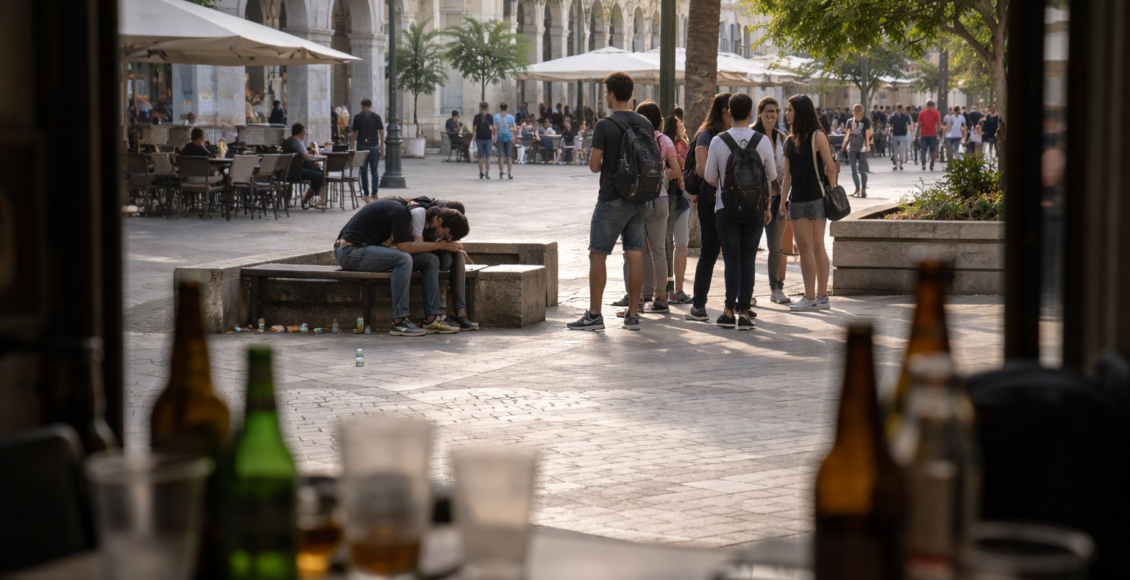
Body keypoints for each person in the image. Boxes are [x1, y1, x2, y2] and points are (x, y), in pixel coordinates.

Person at [566, 71, 651, 332]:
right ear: (631, 94)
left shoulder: (604, 125)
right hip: (640, 198)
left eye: (606, 92)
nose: (605, 96)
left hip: (612, 198)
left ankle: (594, 315)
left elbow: (594, 166)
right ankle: (633, 314)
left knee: (598, 255)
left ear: (612, 94)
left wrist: (611, 164)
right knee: (634, 254)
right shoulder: (645, 122)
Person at [335, 197, 467, 336]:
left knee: (431, 260)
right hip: (350, 252)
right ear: (439, 221)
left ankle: (432, 318)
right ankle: (399, 321)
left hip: (364, 250)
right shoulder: (400, 212)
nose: (438, 235)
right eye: (444, 234)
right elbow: (405, 247)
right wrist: (441, 245)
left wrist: (442, 245)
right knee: (403, 259)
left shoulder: (408, 208)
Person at [703, 93, 776, 330]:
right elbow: (772, 176)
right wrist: (766, 206)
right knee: (748, 259)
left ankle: (728, 311)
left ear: (730, 112)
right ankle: (744, 312)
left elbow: (709, 176)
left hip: (726, 208)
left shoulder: (718, 140)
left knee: (731, 260)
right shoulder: (762, 141)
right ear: (752, 113)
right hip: (755, 209)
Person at [611, 100, 679, 317]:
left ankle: (638, 299)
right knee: (659, 251)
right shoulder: (664, 140)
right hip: (660, 199)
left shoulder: (632, 138)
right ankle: (660, 297)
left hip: (637, 200)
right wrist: (662, 180)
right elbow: (677, 169)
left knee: (636, 252)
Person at [781, 95, 837, 312]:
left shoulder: (817, 136)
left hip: (816, 197)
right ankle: (812, 297)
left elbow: (830, 167)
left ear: (800, 112)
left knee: (816, 246)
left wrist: (833, 191)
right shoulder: (789, 140)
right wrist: (783, 200)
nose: (786, 113)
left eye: (789, 110)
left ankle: (819, 297)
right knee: (804, 247)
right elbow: (787, 175)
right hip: (796, 199)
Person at [684, 92, 733, 323]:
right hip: (710, 200)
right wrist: (727, 184)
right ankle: (698, 304)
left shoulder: (733, 134)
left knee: (733, 255)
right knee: (709, 252)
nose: (733, 115)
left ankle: (735, 305)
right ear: (721, 111)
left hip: (729, 201)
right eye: (730, 111)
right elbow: (702, 169)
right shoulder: (706, 134)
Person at [406, 199, 478, 331]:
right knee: (435, 260)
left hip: (431, 252)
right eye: (446, 234)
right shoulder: (422, 215)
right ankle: (441, 314)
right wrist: (442, 244)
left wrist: (452, 246)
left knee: (458, 256)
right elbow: (417, 245)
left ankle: (461, 314)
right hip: (415, 253)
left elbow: (442, 243)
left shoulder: (443, 224)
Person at [751, 96, 791, 305]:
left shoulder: (782, 138)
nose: (770, 115)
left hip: (779, 199)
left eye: (774, 112)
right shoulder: (751, 135)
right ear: (760, 113)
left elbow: (787, 170)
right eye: (766, 111)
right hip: (756, 200)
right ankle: (747, 291)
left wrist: (785, 197)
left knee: (776, 247)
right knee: (750, 246)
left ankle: (776, 289)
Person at [662, 113, 693, 305]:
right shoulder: (681, 144)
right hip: (680, 198)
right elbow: (683, 169)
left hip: (661, 198)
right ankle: (677, 289)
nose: (682, 123)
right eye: (679, 121)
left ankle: (660, 290)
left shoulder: (658, 142)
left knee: (660, 246)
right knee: (681, 245)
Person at [282, 123, 326, 208]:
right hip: (297, 171)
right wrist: (313, 159)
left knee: (319, 172)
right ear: (303, 131)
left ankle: (309, 200)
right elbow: (306, 156)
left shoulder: (290, 141)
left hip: (291, 170)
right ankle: (316, 201)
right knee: (320, 175)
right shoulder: (297, 142)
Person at [350, 98, 385, 202]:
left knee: (363, 171)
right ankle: (374, 193)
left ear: (362, 106)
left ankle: (366, 193)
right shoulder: (376, 117)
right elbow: (381, 130)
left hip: (361, 147)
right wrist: (382, 145)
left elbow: (353, 133)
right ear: (370, 106)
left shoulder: (357, 117)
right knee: (374, 171)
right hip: (374, 146)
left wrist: (352, 146)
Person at [841, 104, 872, 198]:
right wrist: (867, 145)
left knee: (854, 169)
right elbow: (867, 135)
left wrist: (843, 145)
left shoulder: (850, 121)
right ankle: (862, 190)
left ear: (853, 112)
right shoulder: (865, 120)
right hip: (861, 148)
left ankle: (858, 189)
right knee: (862, 170)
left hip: (853, 148)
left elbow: (847, 136)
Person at [472, 102, 495, 179]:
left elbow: (474, 127)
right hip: (488, 138)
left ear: (480, 108)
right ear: (487, 108)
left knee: (480, 156)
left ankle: (481, 172)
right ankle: (487, 172)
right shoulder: (490, 117)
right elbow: (491, 128)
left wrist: (473, 136)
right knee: (488, 156)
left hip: (479, 138)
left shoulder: (476, 117)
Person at [917, 99, 942, 171]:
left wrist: (917, 134)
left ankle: (923, 164)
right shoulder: (936, 113)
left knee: (923, 150)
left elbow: (919, 124)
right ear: (933, 105)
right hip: (933, 134)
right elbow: (938, 124)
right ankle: (932, 164)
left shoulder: (922, 113)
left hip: (923, 134)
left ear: (926, 105)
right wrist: (938, 131)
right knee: (933, 150)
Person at [494, 103, 517, 179]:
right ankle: (509, 173)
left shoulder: (496, 117)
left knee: (501, 155)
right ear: (507, 108)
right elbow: (514, 128)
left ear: (500, 108)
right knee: (509, 156)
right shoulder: (511, 117)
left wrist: (494, 137)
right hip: (509, 138)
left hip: (499, 138)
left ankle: (501, 171)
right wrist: (514, 138)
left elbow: (494, 128)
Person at [889, 104, 912, 171]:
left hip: (902, 135)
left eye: (900, 109)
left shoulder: (905, 116)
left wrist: (907, 130)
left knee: (901, 150)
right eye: (898, 109)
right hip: (895, 134)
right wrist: (891, 128)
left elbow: (908, 124)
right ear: (896, 109)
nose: (899, 110)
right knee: (896, 151)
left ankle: (900, 164)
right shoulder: (893, 117)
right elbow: (890, 125)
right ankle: (896, 164)